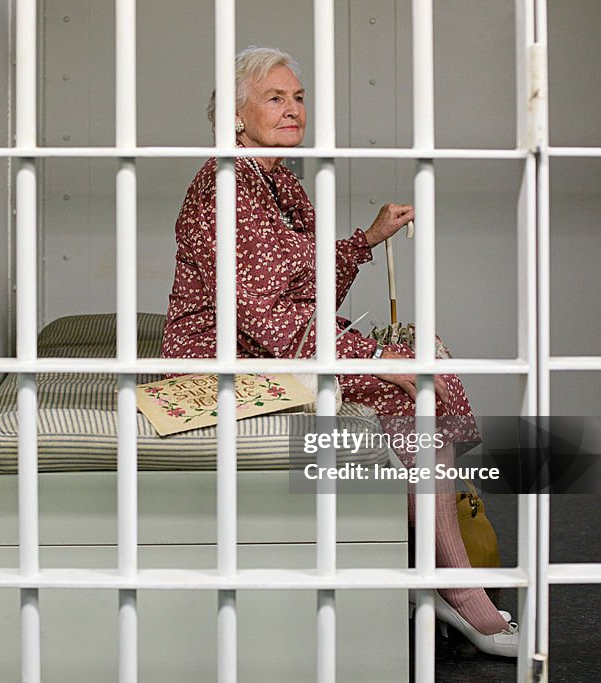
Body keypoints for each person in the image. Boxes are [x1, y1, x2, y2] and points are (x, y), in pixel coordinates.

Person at [160, 45, 518, 658]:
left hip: (266, 345)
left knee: (422, 361)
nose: (293, 109)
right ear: (236, 118)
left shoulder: (275, 181)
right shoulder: (229, 185)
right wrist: (373, 360)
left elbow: (303, 286)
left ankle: (430, 566)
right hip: (226, 360)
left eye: (298, 97)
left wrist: (368, 239)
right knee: (413, 384)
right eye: (275, 97)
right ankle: (455, 587)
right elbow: (267, 318)